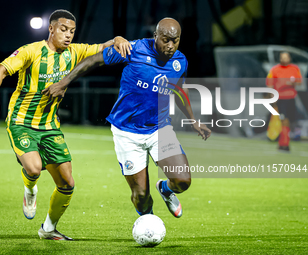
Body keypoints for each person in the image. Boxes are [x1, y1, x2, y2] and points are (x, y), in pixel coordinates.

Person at [0, 9, 131, 240]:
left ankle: (48, 229)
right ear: (51, 29)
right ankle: (30, 189)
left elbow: (102, 46)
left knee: (67, 184)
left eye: (71, 31)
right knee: (33, 167)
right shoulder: (31, 51)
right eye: (63, 29)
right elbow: (0, 70)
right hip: (21, 121)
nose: (68, 35)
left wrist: (117, 39)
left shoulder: (75, 51)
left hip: (50, 126)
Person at [43, 18, 211, 218]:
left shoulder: (180, 62)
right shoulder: (134, 49)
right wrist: (64, 83)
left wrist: (193, 120)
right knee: (140, 195)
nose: (170, 46)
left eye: (175, 41)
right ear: (155, 36)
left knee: (182, 181)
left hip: (160, 129)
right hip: (127, 132)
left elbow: (179, 90)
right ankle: (148, 222)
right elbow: (94, 60)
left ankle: (165, 189)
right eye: (165, 40)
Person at [266, 52, 302, 151]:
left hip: (291, 99)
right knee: (283, 120)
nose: (285, 59)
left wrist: (292, 82)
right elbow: (269, 83)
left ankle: (283, 143)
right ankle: (285, 144)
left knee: (288, 121)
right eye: (283, 57)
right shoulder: (275, 70)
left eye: (286, 57)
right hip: (280, 99)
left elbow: (299, 81)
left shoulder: (295, 69)